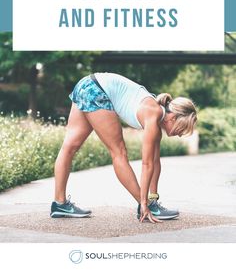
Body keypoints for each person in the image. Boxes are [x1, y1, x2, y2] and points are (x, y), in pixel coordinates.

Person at [50, 72, 197, 223]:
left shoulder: (155, 116)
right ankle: (144, 206)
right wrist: (144, 203)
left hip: (86, 84)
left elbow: (155, 162)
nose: (180, 134)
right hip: (97, 90)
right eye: (182, 128)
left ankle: (59, 203)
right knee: (118, 152)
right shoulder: (153, 114)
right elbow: (147, 165)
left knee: (69, 147)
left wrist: (153, 197)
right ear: (173, 118)